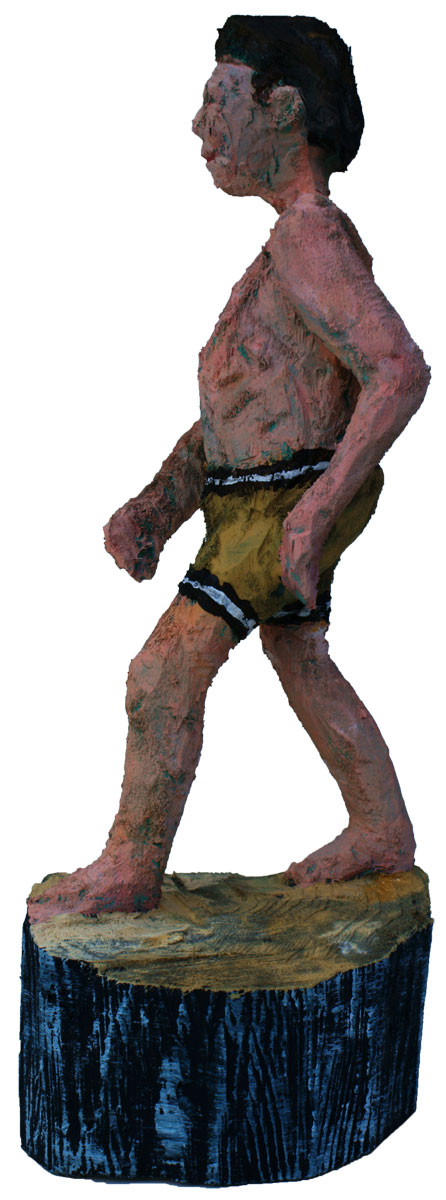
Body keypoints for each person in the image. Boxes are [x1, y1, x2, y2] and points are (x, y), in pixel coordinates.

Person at [28, 15, 430, 922]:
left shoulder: (310, 238)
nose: (200, 123)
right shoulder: (293, 244)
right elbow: (241, 414)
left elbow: (398, 369)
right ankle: (380, 823)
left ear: (283, 110)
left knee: (162, 675)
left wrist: (316, 509)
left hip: (279, 500)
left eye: (221, 99)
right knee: (301, 655)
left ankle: (131, 864)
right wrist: (159, 505)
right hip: (262, 495)